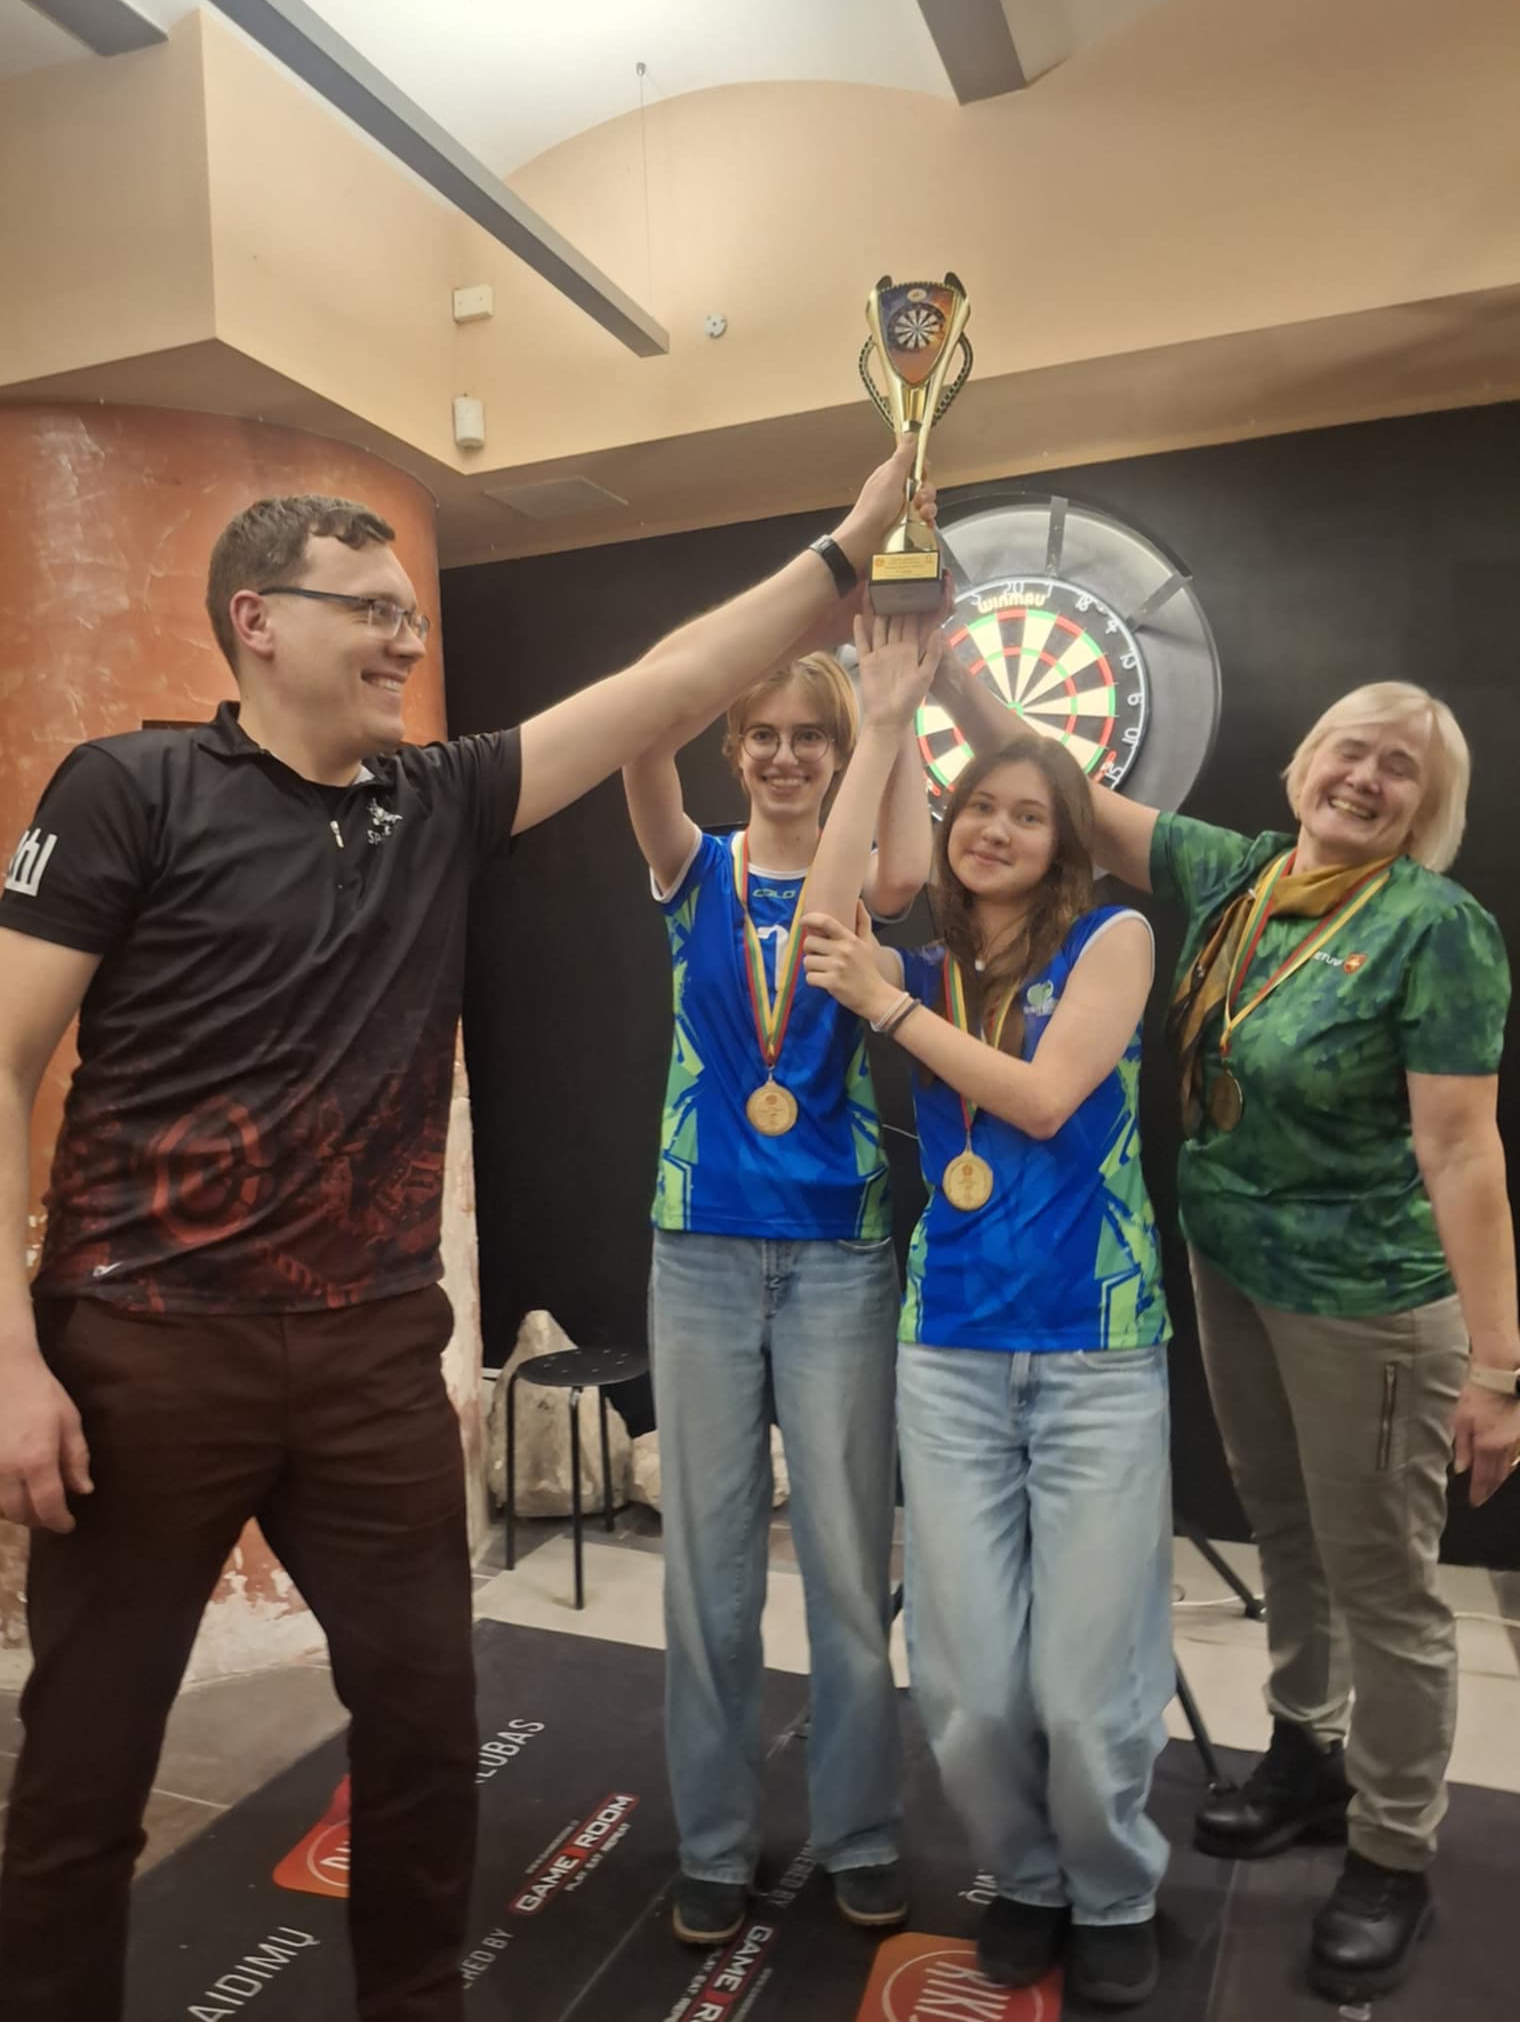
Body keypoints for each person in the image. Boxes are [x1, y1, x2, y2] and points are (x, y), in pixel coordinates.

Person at [0, 442, 922, 2022]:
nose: (407, 641)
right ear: (257, 620)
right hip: (146, 1353)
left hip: (369, 1356)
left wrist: (850, 544)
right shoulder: (130, 789)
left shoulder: (435, 799)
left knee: (426, 1732)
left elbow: (670, 681)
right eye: (372, 611)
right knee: (86, 1768)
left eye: (412, 615)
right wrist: (5, 1356)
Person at [930, 657, 1519, 2004]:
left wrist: (1500, 1365)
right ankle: (1309, 1754)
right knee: (1288, 1527)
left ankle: (1394, 1849)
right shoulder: (1237, 874)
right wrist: (948, 664)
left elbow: (1464, 1148)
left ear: (1428, 808)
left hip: (1369, 1299)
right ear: (1305, 761)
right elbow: (1060, 781)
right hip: (1233, 1269)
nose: (1365, 778)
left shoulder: (1436, 927)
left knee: (1385, 1581)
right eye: (1351, 749)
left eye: (1402, 769)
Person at [801, 613, 1175, 2009]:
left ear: (1065, 841)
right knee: (961, 1686)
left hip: (1095, 1351)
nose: (997, 829)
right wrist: (885, 724)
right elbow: (825, 926)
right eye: (979, 809)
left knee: (1085, 1684)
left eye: (1029, 813)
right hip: (951, 1350)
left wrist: (890, 1012)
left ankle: (1114, 1888)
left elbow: (1042, 1098)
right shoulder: (925, 964)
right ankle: (1025, 1879)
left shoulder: (1114, 937)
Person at [623, 593, 934, 1942]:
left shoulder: (862, 881)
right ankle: (713, 1841)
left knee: (850, 1566)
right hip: (699, 1245)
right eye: (767, 732)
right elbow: (640, 729)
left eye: (814, 734)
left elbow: (886, 872)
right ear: (734, 745)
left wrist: (890, 712)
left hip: (838, 1254)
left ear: (839, 749)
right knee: (708, 1572)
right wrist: (771, 632)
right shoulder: (687, 864)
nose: (789, 754)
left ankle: (858, 1829)